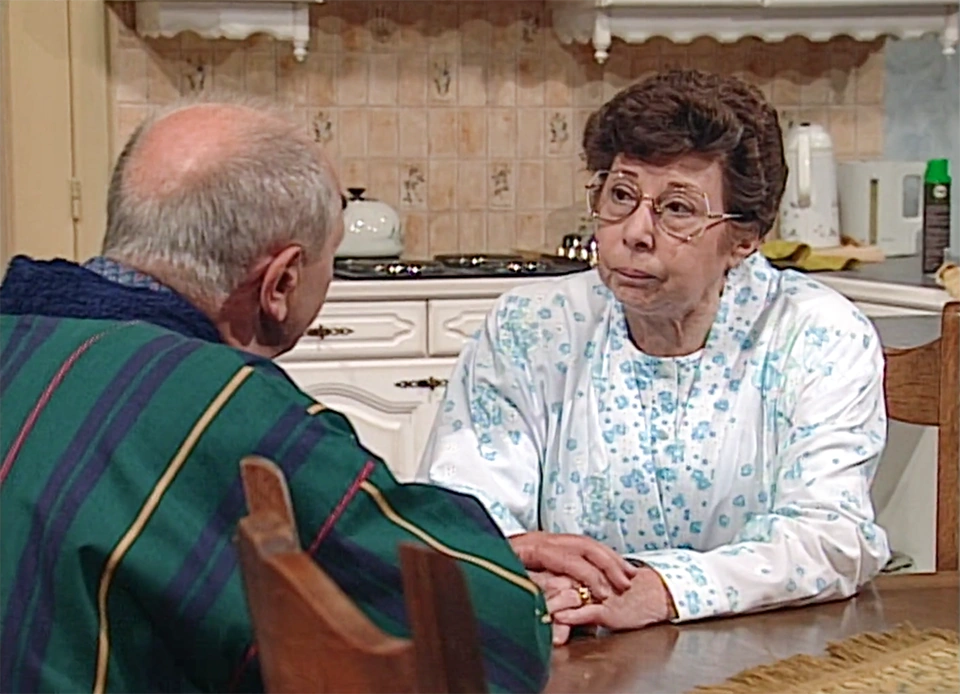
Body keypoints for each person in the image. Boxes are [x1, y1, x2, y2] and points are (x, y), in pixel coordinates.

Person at [0, 97, 551, 694]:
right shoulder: (223, 402)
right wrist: (503, 571)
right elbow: (475, 627)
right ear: (281, 282)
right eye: (331, 257)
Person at [418, 69, 891, 645]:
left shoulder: (816, 335)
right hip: (576, 656)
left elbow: (830, 536)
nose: (636, 232)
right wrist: (522, 569)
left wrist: (664, 589)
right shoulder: (531, 327)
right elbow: (460, 514)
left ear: (744, 238)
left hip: (765, 654)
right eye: (621, 196)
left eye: (677, 209)